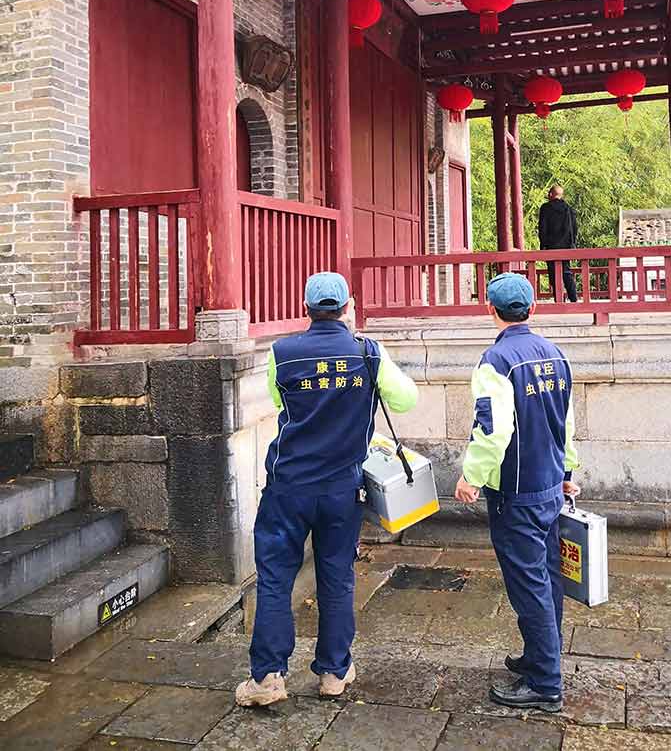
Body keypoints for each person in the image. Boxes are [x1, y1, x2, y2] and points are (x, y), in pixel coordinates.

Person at [235, 271, 418, 708]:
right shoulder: (368, 352)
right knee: (337, 576)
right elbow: (406, 400)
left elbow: (280, 402)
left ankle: (268, 678)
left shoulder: (282, 353)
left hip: (289, 486)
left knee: (275, 578)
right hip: (342, 488)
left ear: (307, 309)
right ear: (348, 307)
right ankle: (334, 672)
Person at [454, 271, 580, 712]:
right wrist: (566, 471)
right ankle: (541, 657)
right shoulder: (556, 354)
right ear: (533, 308)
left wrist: (471, 476)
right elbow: (565, 423)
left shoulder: (496, 361)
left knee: (528, 584)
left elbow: (493, 430)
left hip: (516, 491)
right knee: (547, 577)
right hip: (549, 486)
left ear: (490, 309)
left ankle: (545, 682)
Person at [538, 184, 578, 304]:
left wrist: (543, 245)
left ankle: (559, 300)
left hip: (551, 247)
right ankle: (573, 298)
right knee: (566, 271)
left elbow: (542, 228)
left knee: (553, 273)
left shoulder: (545, 208)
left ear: (551, 194)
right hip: (566, 247)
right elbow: (574, 229)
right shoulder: (569, 209)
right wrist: (572, 244)